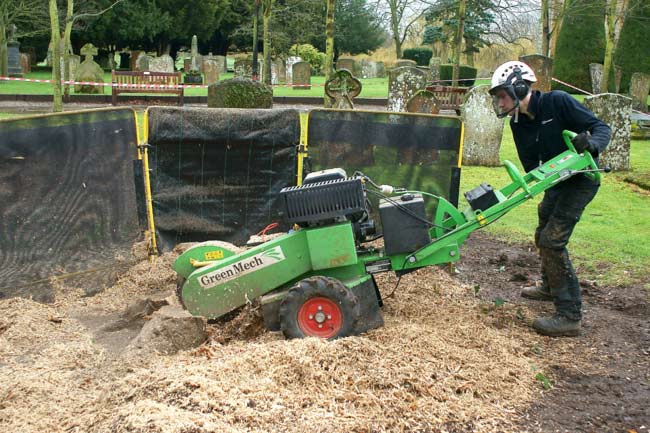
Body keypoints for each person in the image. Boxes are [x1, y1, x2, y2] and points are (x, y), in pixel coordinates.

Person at [488, 60, 611, 337]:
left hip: (581, 180)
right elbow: (532, 166)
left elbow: (602, 128)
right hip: (556, 181)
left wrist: (591, 143)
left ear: (519, 87)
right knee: (542, 230)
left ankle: (569, 315)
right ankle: (549, 285)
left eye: (502, 95)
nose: (500, 103)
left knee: (552, 241)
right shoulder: (518, 124)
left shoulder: (558, 102)